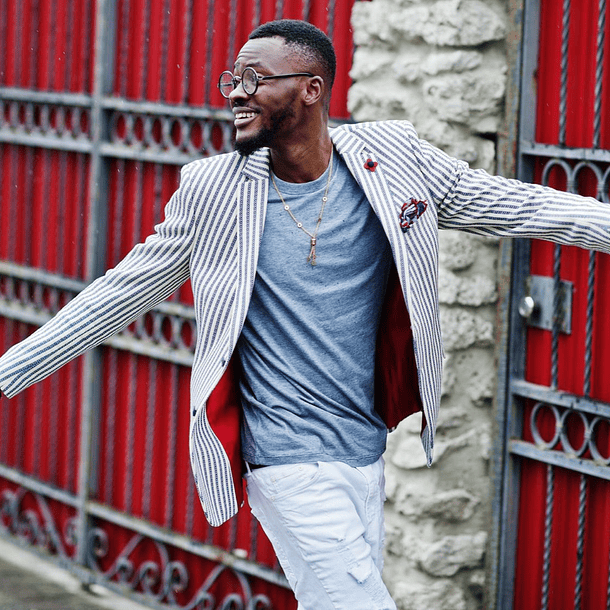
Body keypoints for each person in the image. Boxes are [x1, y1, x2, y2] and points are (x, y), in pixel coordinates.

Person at [1, 18, 609, 610]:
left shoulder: (392, 162)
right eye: (231, 79)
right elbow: (118, 293)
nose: (237, 92)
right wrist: (9, 372)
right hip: (284, 457)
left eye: (255, 78)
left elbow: (510, 205)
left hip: (363, 445)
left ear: (311, 88)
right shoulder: (214, 193)